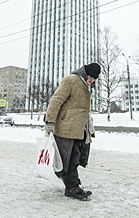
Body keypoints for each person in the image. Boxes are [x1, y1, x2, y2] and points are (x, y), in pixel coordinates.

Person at [44, 63, 100, 200]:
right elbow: (56, 100)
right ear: (85, 73)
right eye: (91, 77)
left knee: (79, 156)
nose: (92, 81)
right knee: (71, 157)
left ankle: (71, 181)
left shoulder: (88, 86)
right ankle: (72, 186)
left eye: (94, 79)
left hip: (80, 128)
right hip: (66, 127)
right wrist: (50, 121)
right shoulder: (71, 80)